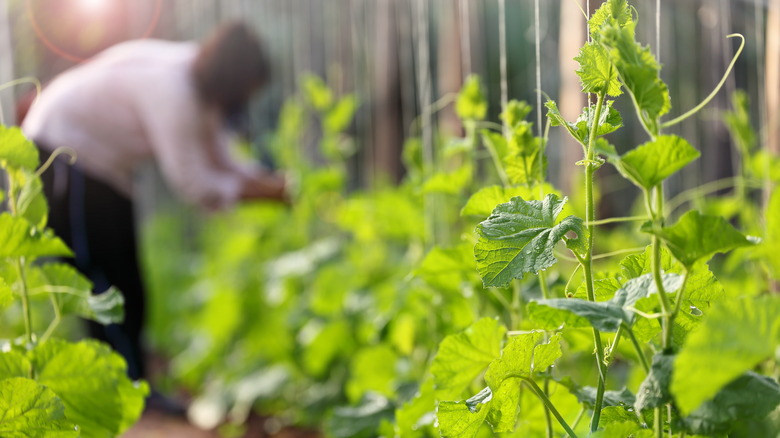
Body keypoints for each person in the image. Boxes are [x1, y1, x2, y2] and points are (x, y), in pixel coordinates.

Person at [21, 22, 286, 398]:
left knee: (128, 282)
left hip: (104, 164)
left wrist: (270, 183)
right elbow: (192, 180)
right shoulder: (173, 89)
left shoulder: (198, 84)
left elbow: (223, 159)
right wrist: (267, 193)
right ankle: (121, 391)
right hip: (61, 149)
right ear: (232, 81)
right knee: (99, 282)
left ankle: (134, 386)